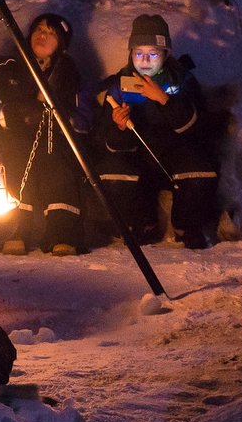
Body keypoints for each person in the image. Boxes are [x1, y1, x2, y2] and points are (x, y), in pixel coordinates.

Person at [91, 13, 221, 250]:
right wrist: (119, 127)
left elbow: (198, 129)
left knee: (200, 170)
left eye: (153, 54)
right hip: (139, 157)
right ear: (130, 54)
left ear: (165, 55)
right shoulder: (119, 85)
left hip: (174, 156)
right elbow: (105, 140)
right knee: (114, 172)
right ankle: (142, 224)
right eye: (139, 53)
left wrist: (164, 100)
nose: (145, 60)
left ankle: (186, 227)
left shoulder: (180, 80)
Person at [0, 13, 89, 256]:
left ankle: (62, 234)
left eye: (51, 33)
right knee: (15, 159)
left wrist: (60, 118)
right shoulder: (6, 69)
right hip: (11, 139)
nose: (42, 36)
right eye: (38, 29)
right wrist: (12, 112)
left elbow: (85, 118)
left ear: (61, 44)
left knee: (59, 165)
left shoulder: (70, 75)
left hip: (52, 141)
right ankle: (14, 231)